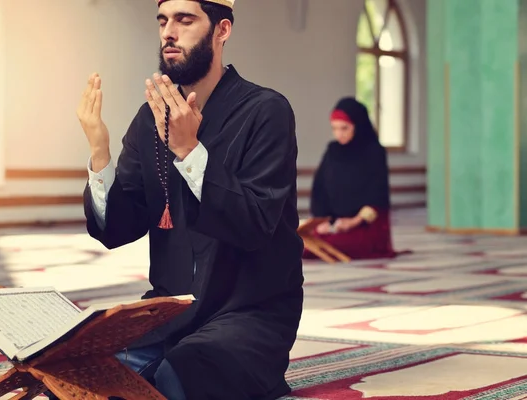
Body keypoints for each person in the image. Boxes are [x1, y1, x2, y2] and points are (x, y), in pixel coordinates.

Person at [49, 1, 304, 399]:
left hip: (249, 313)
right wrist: (100, 151)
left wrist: (189, 151)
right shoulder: (150, 119)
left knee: (182, 375)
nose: (169, 32)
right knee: (72, 369)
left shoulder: (265, 111)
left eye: (185, 20)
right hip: (169, 313)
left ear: (222, 31)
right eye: (163, 20)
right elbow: (117, 229)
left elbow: (255, 224)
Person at [302, 97, 399, 261]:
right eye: (334, 128)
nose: (339, 134)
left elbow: (377, 195)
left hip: (365, 227)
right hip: (335, 225)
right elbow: (320, 188)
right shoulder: (333, 151)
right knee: (298, 242)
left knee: (325, 245)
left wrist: (353, 221)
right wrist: (321, 221)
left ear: (357, 126)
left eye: (344, 128)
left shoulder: (374, 152)